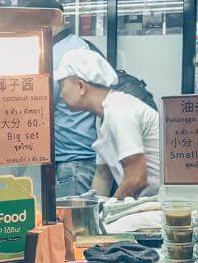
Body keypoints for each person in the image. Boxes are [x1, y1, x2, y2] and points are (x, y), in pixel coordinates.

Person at [17, 0, 99, 197]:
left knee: (70, 228)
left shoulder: (63, 54)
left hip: (73, 161)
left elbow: (38, 106)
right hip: (74, 159)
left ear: (53, 17)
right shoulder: (78, 46)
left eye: (29, 21)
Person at [54, 47, 160, 199]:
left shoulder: (120, 110)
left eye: (62, 85)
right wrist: (91, 209)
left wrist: (110, 208)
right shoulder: (102, 117)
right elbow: (103, 175)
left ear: (80, 86)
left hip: (158, 205)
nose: (61, 93)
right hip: (142, 202)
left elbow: (136, 178)